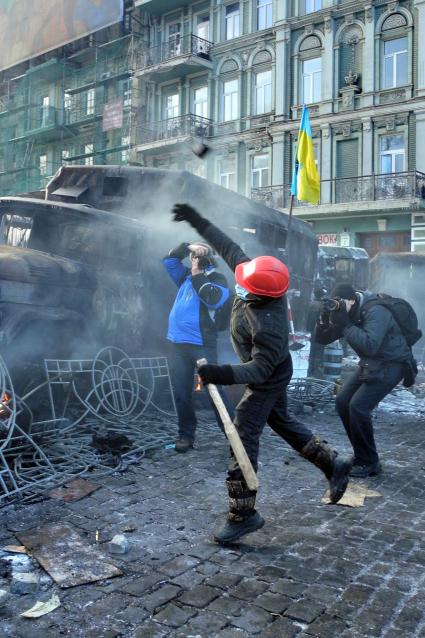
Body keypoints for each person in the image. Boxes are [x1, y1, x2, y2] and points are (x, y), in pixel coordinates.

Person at [171, 204, 352, 544]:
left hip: (269, 376)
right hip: (272, 370)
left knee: (243, 431)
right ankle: (333, 464)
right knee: (281, 421)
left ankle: (242, 513)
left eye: (244, 288)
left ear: (260, 296)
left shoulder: (269, 324)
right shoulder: (252, 271)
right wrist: (196, 218)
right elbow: (224, 243)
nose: (239, 285)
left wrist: (217, 372)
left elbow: (259, 369)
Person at [314, 283, 414, 478]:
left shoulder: (376, 310)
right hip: (373, 363)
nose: (339, 307)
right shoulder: (347, 311)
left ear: (352, 300)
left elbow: (370, 345)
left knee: (358, 407)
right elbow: (322, 339)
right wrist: (324, 319)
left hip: (393, 363)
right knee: (343, 401)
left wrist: (345, 325)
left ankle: (370, 462)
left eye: (341, 303)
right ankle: (362, 455)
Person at [164, 240, 232, 453]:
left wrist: (197, 272)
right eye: (194, 257)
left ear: (209, 261)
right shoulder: (185, 276)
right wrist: (187, 247)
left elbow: (212, 300)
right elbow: (169, 261)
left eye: (199, 257)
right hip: (178, 344)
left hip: (203, 345)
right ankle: (186, 435)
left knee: (215, 392)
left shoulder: (218, 280)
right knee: (181, 393)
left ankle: (236, 436)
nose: (194, 260)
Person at [306, 287, 327, 377]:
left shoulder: (312, 304)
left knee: (313, 349)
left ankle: (310, 370)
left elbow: (309, 318)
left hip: (313, 331)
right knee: (320, 350)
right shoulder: (323, 305)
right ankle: (317, 371)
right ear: (322, 295)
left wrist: (309, 328)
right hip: (321, 330)